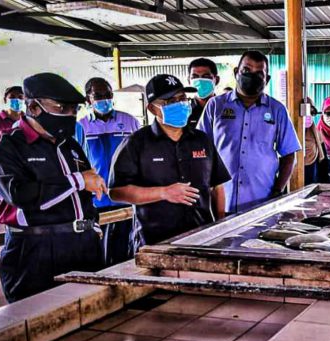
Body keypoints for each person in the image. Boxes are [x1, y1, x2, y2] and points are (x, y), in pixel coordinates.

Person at [0, 73, 107, 302]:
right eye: (62, 108)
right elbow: (20, 195)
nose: (70, 116)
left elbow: (84, 189)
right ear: (34, 108)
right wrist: (78, 180)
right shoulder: (6, 145)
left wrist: (91, 223)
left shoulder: (69, 143)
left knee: (92, 316)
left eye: (75, 110)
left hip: (81, 245)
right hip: (35, 249)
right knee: (37, 321)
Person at [110, 74, 231, 250]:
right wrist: (163, 193)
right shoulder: (136, 143)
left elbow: (217, 187)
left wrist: (220, 226)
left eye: (182, 98)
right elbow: (116, 192)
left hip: (201, 240)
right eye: (170, 101)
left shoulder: (202, 140)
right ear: (152, 108)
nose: (180, 104)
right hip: (153, 244)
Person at [198, 50, 301, 213]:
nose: (252, 76)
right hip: (220, 203)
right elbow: (200, 149)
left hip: (262, 203)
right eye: (246, 70)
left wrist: (278, 190)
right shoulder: (215, 106)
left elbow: (289, 155)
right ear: (236, 73)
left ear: (266, 80)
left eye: (259, 73)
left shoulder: (277, 110)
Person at [79, 77, 140, 266]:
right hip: (97, 199)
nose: (104, 99)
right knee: (100, 249)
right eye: (98, 95)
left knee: (127, 247)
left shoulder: (129, 121)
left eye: (108, 94)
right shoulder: (81, 126)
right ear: (88, 99)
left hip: (125, 195)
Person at [188, 57, 220, 129]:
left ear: (217, 80)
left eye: (206, 76)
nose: (200, 81)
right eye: (195, 77)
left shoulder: (226, 109)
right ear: (189, 80)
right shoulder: (184, 110)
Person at [304, 98, 327, 185]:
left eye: (311, 112)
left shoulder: (316, 134)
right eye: (306, 112)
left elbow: (323, 164)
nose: (308, 115)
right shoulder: (289, 136)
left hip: (312, 185)